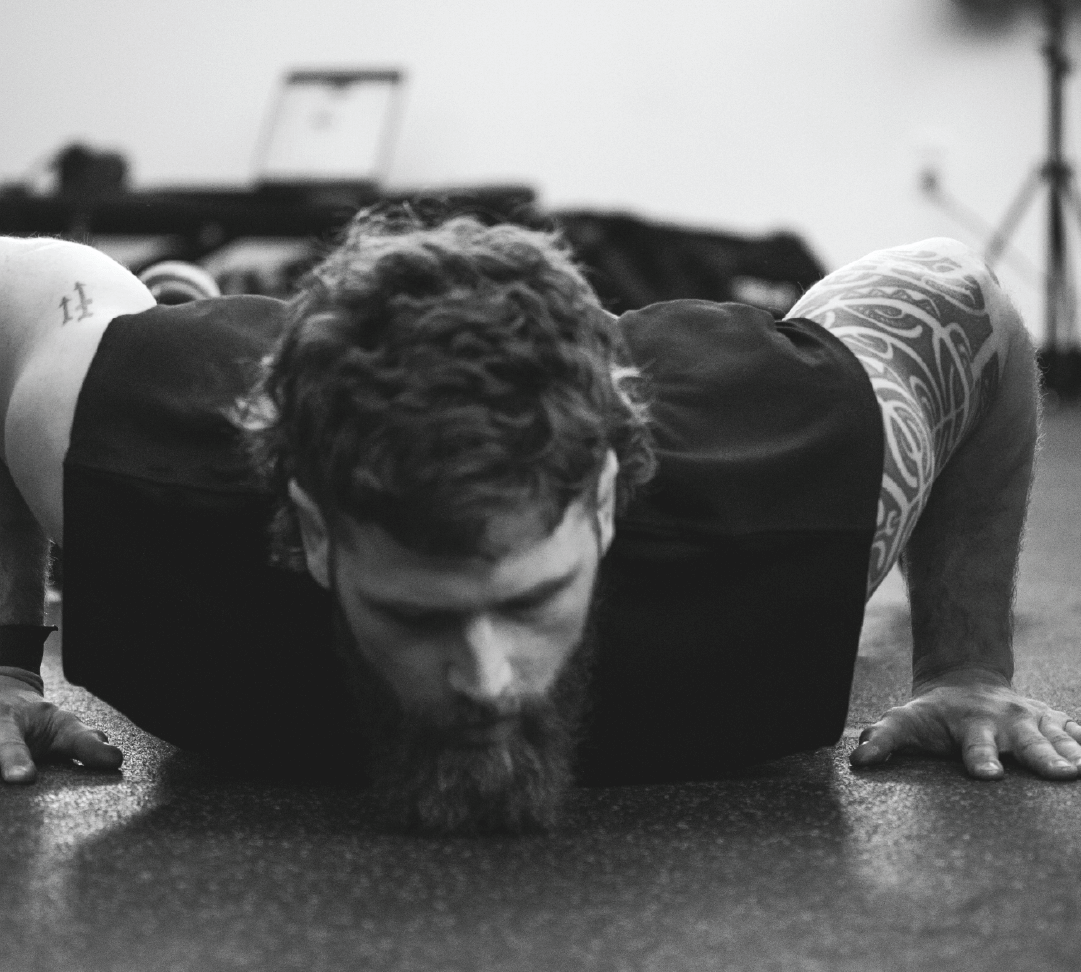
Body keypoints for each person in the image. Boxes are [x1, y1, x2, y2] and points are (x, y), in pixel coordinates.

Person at [0, 214, 1078, 835]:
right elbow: (20, 293)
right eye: (417, 614)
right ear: (316, 538)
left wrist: (963, 667)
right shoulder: (142, 481)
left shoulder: (789, 500)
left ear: (604, 506)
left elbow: (963, 297)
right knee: (151, 334)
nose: (486, 675)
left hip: (697, 408)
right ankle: (187, 302)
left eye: (528, 600)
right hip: (213, 393)